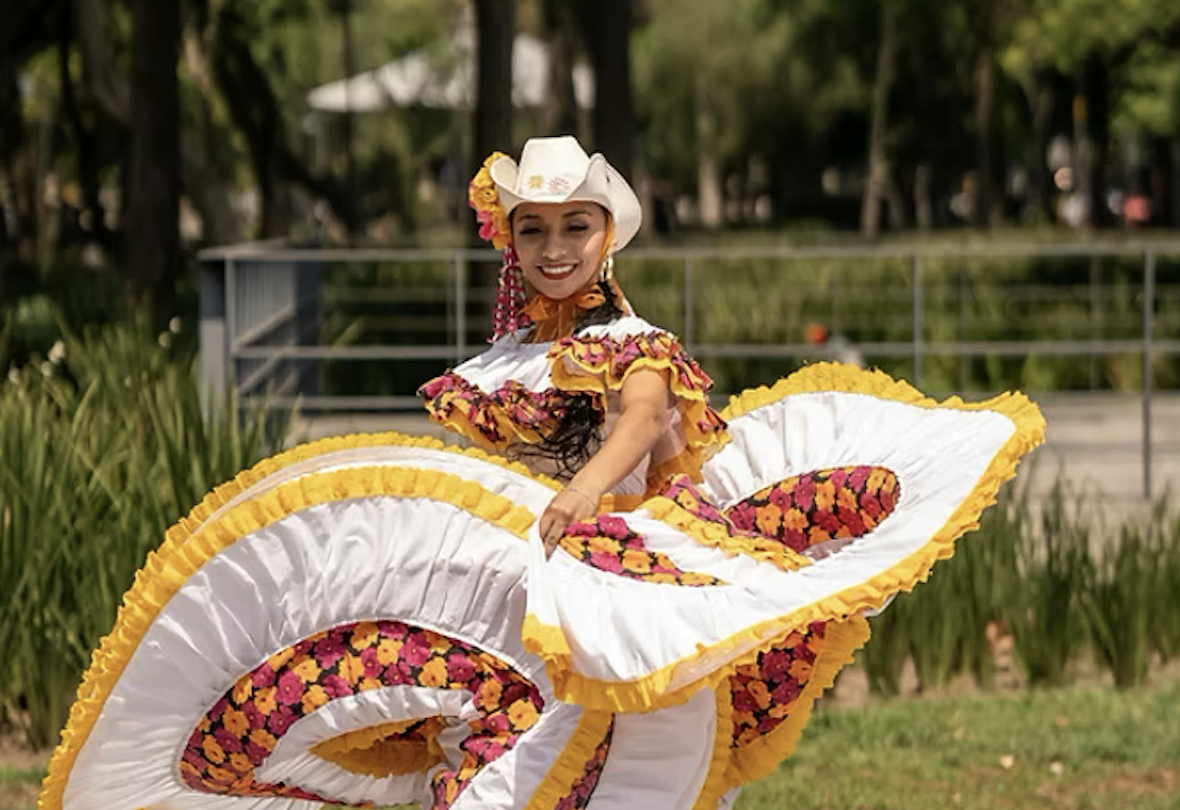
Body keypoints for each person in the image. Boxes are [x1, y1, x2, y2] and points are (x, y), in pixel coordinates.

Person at [39, 137, 1045, 810]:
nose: (554, 246)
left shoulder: (633, 340)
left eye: (574, 227)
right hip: (513, 605)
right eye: (534, 229)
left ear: (607, 238)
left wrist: (580, 491)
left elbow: (642, 418)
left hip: (615, 600)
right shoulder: (503, 363)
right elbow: (480, 484)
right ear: (510, 242)